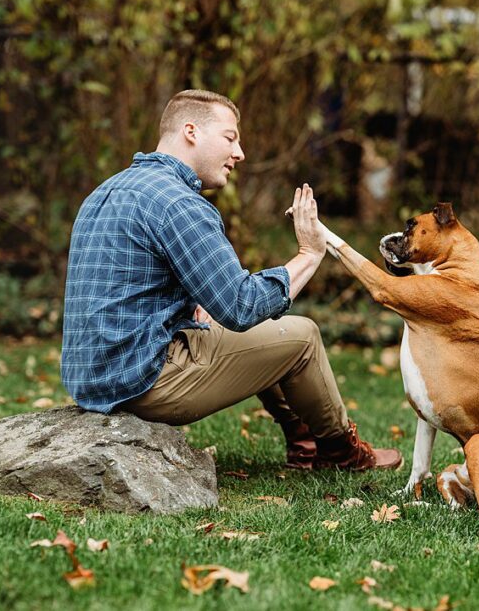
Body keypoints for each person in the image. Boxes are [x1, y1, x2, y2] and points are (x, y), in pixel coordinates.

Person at [61, 89, 401, 472]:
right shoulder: (179, 203)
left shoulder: (108, 190)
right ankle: (342, 453)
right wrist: (309, 254)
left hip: (91, 379)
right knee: (302, 336)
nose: (239, 153)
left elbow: (132, 284)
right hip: (143, 383)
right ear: (191, 131)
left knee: (257, 330)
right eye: (230, 137)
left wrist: (193, 304)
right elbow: (242, 307)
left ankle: (306, 444)